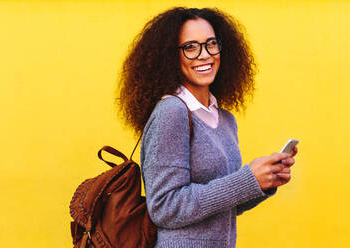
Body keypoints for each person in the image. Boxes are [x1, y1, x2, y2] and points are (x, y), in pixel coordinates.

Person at [117, 7, 297, 248]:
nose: (204, 55)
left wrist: (264, 181)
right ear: (170, 56)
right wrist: (246, 179)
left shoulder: (225, 120)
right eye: (190, 47)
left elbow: (223, 206)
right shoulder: (172, 112)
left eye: (211, 44)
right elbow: (164, 207)